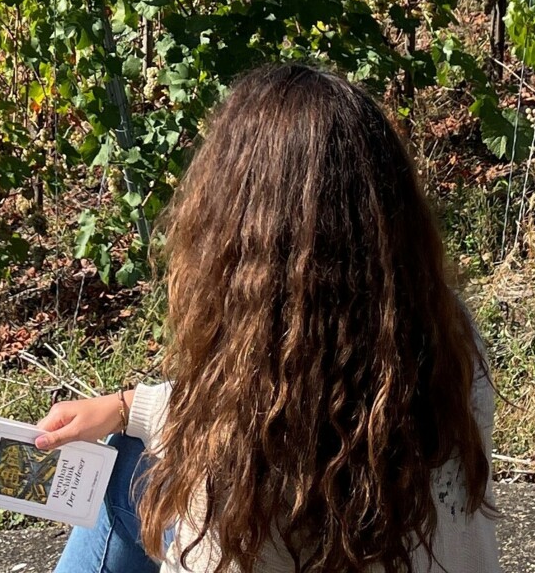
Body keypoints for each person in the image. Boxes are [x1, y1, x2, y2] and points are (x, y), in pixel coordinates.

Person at [33, 63, 501, 573]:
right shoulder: (445, 332)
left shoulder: (233, 458)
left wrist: (138, 422)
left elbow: (250, 418)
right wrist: (131, 407)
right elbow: (300, 402)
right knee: (132, 456)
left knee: (125, 469)